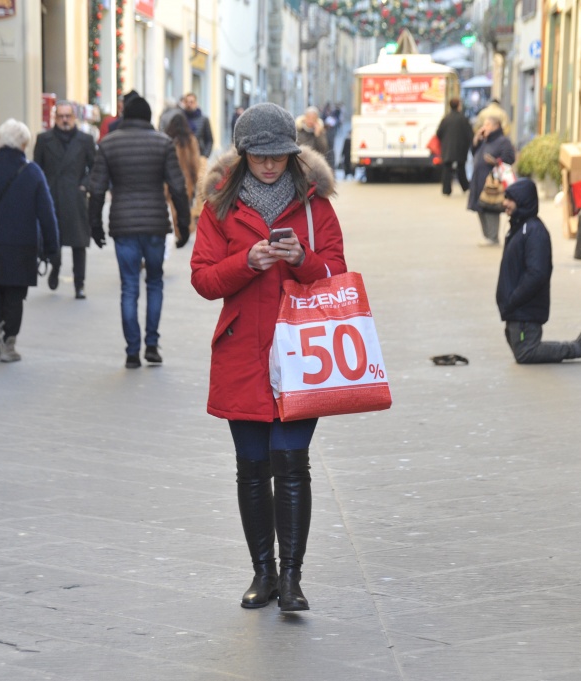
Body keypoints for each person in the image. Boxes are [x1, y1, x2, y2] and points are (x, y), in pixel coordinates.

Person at [190, 102, 346, 612]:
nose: (271, 165)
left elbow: (337, 274)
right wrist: (246, 262)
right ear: (244, 155)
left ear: (292, 153)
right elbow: (203, 278)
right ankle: (264, 573)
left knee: (292, 462)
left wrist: (302, 259)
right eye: (260, 157)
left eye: (279, 155)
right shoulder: (219, 206)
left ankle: (292, 578)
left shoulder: (315, 205)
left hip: (303, 354)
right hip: (242, 354)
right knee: (253, 468)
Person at [87, 96, 191, 368]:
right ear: (148, 117)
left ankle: (132, 351)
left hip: (123, 224)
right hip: (155, 222)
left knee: (129, 286)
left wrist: (94, 225)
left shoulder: (108, 144)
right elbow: (178, 187)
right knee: (154, 282)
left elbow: (96, 188)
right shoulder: (163, 143)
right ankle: (152, 345)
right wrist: (183, 225)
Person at [0, 119, 59, 363]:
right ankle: (9, 345)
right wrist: (52, 247)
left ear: (0, 141)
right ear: (24, 144)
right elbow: (47, 213)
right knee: (15, 294)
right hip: (22, 245)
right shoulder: (33, 172)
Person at [496, 179, 581, 363]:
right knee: (523, 352)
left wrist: (514, 299)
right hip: (517, 309)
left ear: (522, 201)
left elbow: (537, 274)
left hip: (524, 309)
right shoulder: (519, 228)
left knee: (526, 353)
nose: (505, 203)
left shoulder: (534, 231)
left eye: (510, 199)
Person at [34, 101, 97, 299]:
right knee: (54, 240)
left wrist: (84, 185)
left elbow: (95, 168)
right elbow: (36, 169)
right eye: (60, 116)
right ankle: (55, 267)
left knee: (79, 243)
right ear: (55, 118)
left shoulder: (85, 140)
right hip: (51, 197)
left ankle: (80, 284)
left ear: (74, 117)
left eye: (68, 116)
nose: (64, 120)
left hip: (75, 198)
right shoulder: (44, 139)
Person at [467, 116, 515, 245]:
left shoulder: (503, 141)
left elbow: (509, 158)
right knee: (480, 207)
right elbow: (474, 153)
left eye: (487, 125)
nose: (484, 127)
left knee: (491, 208)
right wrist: (476, 141)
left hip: (492, 182)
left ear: (496, 126)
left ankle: (493, 237)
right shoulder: (484, 140)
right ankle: (487, 235)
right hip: (479, 180)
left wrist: (495, 161)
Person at [164, 112, 206, 236]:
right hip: (187, 181)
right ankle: (184, 231)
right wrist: (195, 179)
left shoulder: (167, 140)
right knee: (185, 206)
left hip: (169, 180)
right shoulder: (191, 140)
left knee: (172, 207)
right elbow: (195, 163)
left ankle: (177, 231)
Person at [435, 97, 474, 196]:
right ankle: (465, 186)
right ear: (458, 106)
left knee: (447, 169)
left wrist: (444, 141)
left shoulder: (446, 119)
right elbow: (470, 134)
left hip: (447, 148)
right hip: (461, 148)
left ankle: (446, 189)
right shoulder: (463, 119)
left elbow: (438, 133)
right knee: (461, 168)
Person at [182, 92, 214, 157]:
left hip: (199, 155)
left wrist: (205, 156)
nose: (189, 104)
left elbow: (209, 140)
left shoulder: (204, 119)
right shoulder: (180, 119)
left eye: (191, 102)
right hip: (184, 157)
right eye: (187, 102)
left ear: (196, 103)